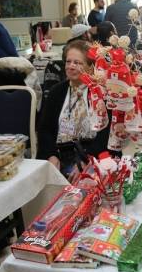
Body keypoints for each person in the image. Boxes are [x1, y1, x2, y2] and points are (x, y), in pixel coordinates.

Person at [37, 40, 112, 180]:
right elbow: (45, 129)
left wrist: (86, 161)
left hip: (93, 155)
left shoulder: (101, 93)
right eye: (68, 62)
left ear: (91, 68)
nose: (71, 66)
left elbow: (105, 135)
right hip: (60, 154)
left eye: (77, 63)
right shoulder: (56, 92)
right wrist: (51, 155)